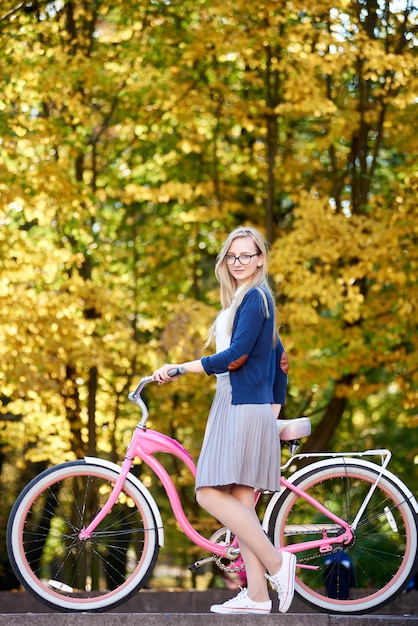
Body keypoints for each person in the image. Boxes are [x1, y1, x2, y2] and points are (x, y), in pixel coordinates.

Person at [152, 226, 296, 615]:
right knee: (240, 506)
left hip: (238, 405)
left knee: (207, 493)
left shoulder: (255, 298)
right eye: (232, 257)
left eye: (246, 256)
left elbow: (236, 356)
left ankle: (278, 563)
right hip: (246, 405)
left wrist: (182, 367)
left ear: (260, 259)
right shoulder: (247, 302)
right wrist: (272, 408)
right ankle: (258, 597)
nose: (238, 263)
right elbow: (281, 358)